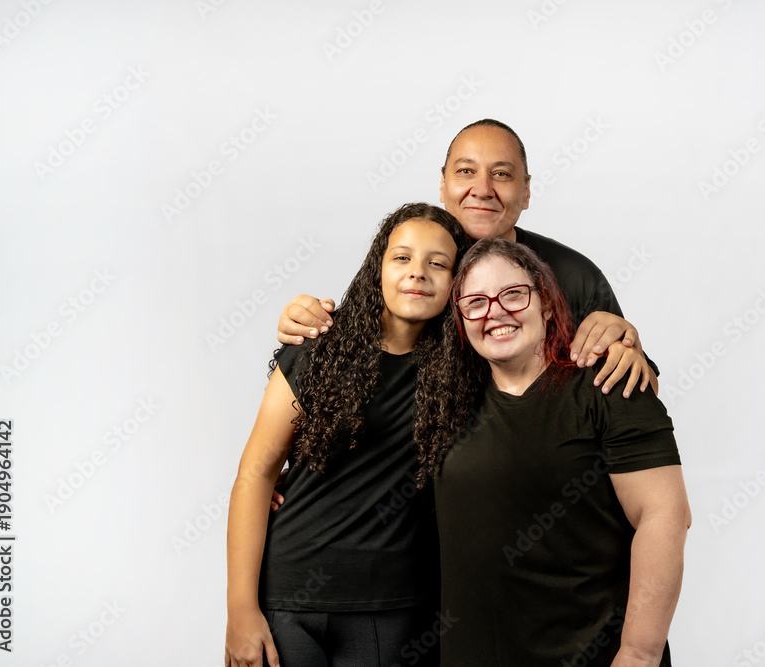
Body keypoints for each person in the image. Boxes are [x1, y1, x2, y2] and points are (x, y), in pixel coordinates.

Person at [225, 203, 476, 667]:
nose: (418, 272)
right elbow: (255, 474)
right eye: (402, 257)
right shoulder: (318, 349)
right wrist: (240, 611)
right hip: (290, 596)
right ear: (377, 269)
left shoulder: (470, 368)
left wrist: (613, 330)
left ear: (457, 282)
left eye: (438, 263)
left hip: (395, 605)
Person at [434, 238, 691, 666]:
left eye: (513, 294)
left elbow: (665, 515)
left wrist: (639, 653)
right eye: (475, 302)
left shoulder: (608, 384)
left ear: (548, 305)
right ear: (461, 319)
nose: (495, 311)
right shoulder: (447, 402)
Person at [275, 119, 660, 399]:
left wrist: (626, 348)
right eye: (465, 171)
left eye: (502, 174)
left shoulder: (574, 275)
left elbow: (643, 394)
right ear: (443, 185)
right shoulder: (413, 267)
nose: (483, 189)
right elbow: (350, 348)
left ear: (526, 192)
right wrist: (307, 319)